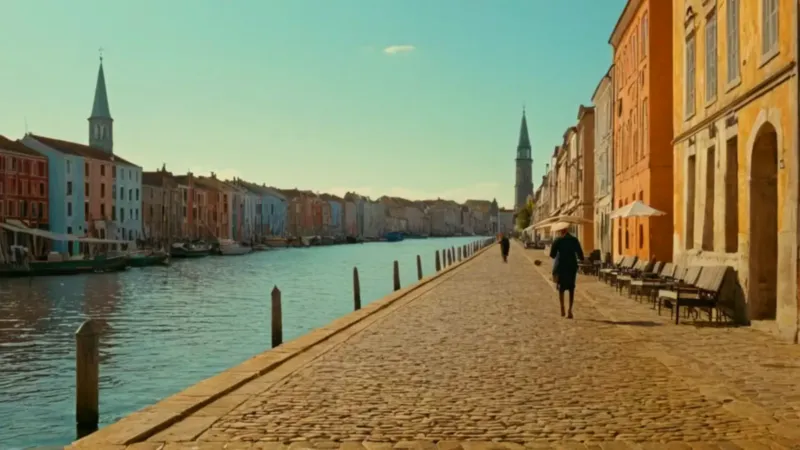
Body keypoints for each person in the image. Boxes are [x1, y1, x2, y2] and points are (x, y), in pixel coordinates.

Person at [549, 225, 584, 319]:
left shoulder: (558, 240)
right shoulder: (574, 240)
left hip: (561, 267)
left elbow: (552, 255)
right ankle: (570, 310)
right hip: (571, 267)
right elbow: (581, 255)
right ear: (567, 230)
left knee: (561, 288)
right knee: (571, 288)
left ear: (561, 230)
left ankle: (562, 308)